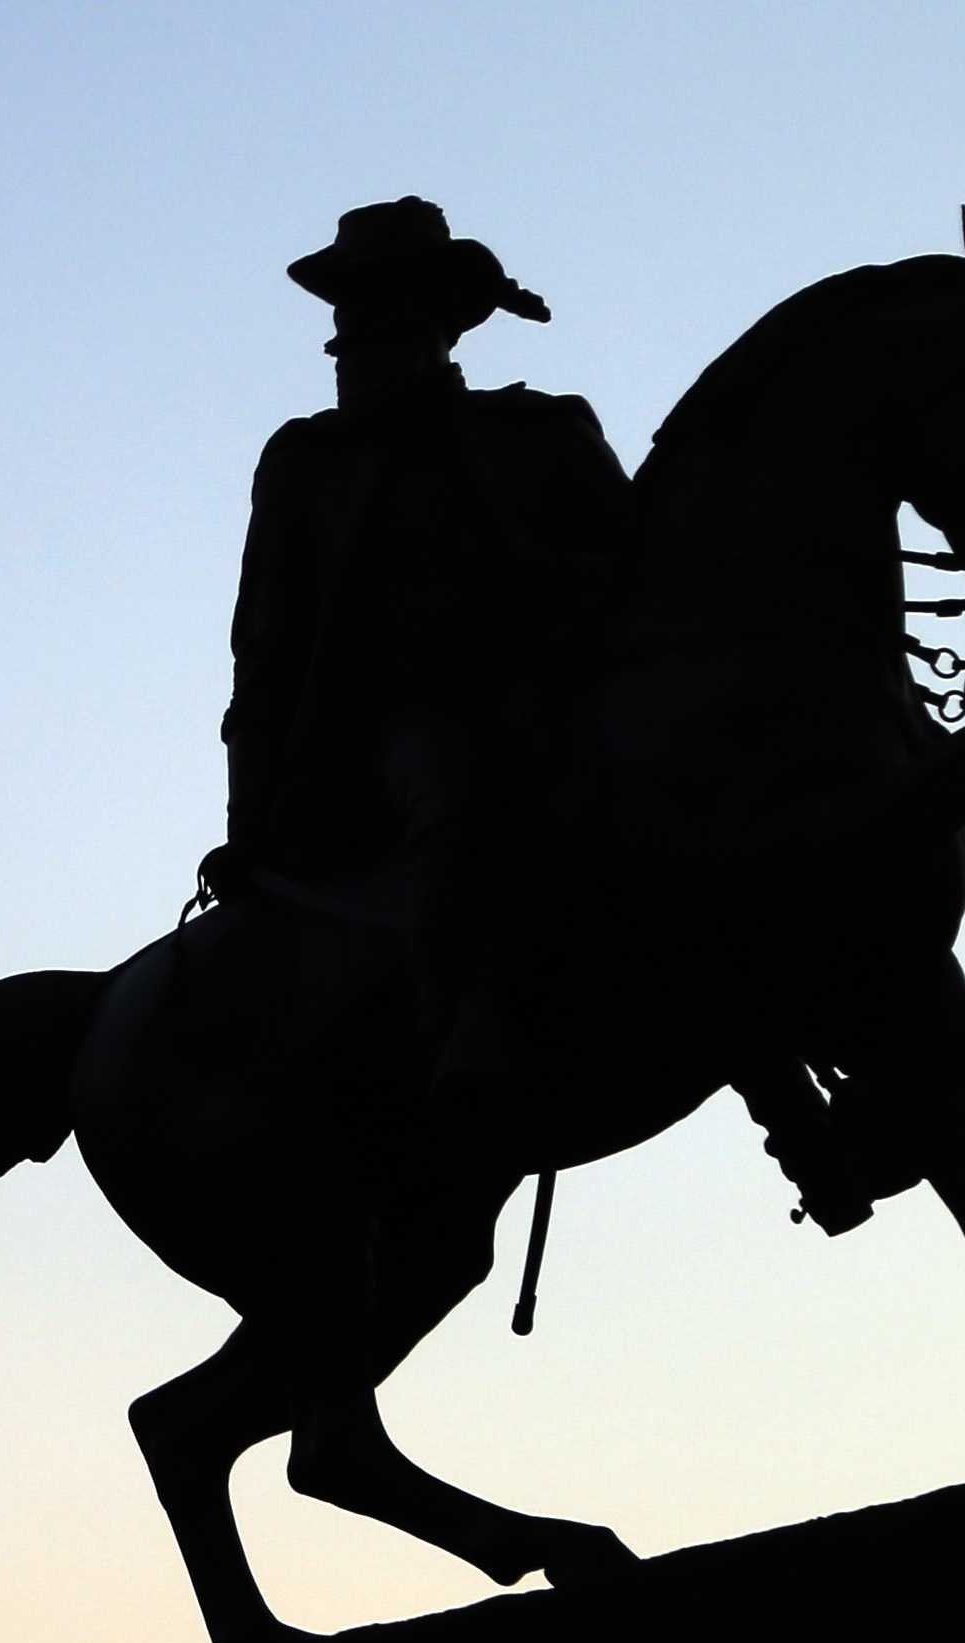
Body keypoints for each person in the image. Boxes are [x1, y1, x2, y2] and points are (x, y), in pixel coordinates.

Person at [216, 198, 631, 1114]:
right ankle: (462, 1034)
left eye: (377, 297)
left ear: (437, 314)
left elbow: (647, 573)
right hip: (392, 734)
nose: (351, 326)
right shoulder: (306, 462)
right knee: (452, 778)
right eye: (347, 303)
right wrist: (251, 822)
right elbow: (266, 653)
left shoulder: (543, 432)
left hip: (562, 703)